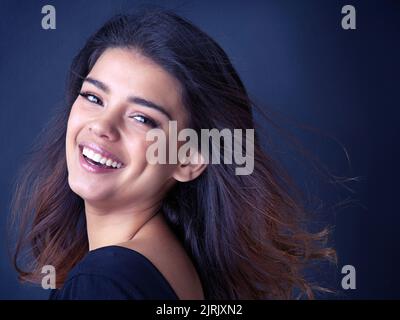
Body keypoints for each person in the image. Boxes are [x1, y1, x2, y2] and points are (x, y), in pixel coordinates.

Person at [10, 9, 335, 300]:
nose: (103, 126)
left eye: (142, 118)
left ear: (190, 159)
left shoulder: (104, 281)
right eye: (94, 97)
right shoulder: (171, 262)